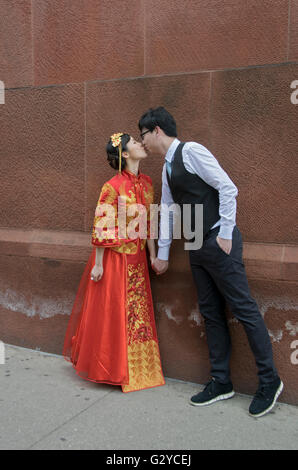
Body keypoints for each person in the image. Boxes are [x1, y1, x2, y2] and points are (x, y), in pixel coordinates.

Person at [138, 106, 283, 417]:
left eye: (143, 135)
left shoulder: (191, 151)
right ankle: (221, 382)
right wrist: (162, 255)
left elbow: (227, 187)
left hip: (218, 242)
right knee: (211, 314)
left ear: (157, 131)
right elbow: (169, 211)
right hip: (195, 245)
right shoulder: (165, 168)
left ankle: (270, 382)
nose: (143, 142)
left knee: (244, 310)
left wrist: (225, 232)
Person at [63, 133, 165, 393]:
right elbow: (102, 227)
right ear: (126, 155)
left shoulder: (147, 183)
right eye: (133, 143)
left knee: (136, 314)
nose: (140, 144)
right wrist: (98, 264)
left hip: (138, 259)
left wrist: (153, 254)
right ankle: (113, 368)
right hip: (116, 259)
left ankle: (138, 369)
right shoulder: (112, 186)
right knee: (115, 313)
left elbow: (148, 224)